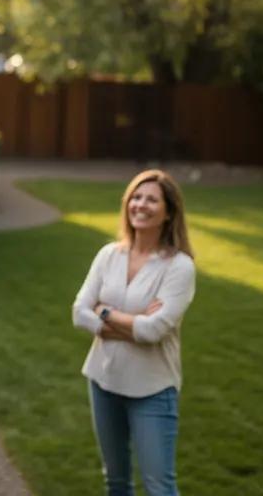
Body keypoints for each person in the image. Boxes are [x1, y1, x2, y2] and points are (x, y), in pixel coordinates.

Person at [71, 169, 196, 496]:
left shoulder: (179, 266)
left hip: (153, 389)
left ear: (169, 212)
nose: (141, 205)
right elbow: (78, 312)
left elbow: (154, 330)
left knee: (159, 487)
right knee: (116, 482)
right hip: (103, 381)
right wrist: (132, 321)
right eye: (136, 197)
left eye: (152, 200)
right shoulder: (108, 255)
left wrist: (105, 312)